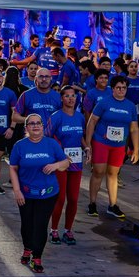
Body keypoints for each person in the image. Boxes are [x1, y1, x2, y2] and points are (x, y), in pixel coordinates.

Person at [8, 113, 70, 273]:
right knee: (27, 224)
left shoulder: (52, 144)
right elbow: (13, 168)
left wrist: (56, 165)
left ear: (43, 126)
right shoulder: (19, 146)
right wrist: (17, 191)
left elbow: (66, 162)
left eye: (38, 123)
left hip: (48, 194)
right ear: (26, 127)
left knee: (41, 225)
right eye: (31, 123)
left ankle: (37, 257)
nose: (35, 126)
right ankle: (27, 248)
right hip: (26, 194)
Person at [85, 76, 139, 219]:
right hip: (101, 143)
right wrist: (88, 143)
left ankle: (113, 205)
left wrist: (137, 150)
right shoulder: (104, 103)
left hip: (119, 145)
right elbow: (92, 122)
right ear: (113, 88)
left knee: (113, 174)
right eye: (118, 88)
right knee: (98, 172)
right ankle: (92, 203)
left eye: (124, 88)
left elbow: (134, 128)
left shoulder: (130, 106)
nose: (121, 90)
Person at [46, 86, 84, 245]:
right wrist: (59, 153)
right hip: (60, 163)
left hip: (76, 163)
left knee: (74, 199)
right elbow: (47, 137)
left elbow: (81, 136)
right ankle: (54, 230)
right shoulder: (56, 117)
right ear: (61, 98)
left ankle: (68, 230)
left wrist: (87, 147)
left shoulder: (80, 117)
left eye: (73, 96)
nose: (70, 98)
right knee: (60, 198)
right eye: (67, 96)